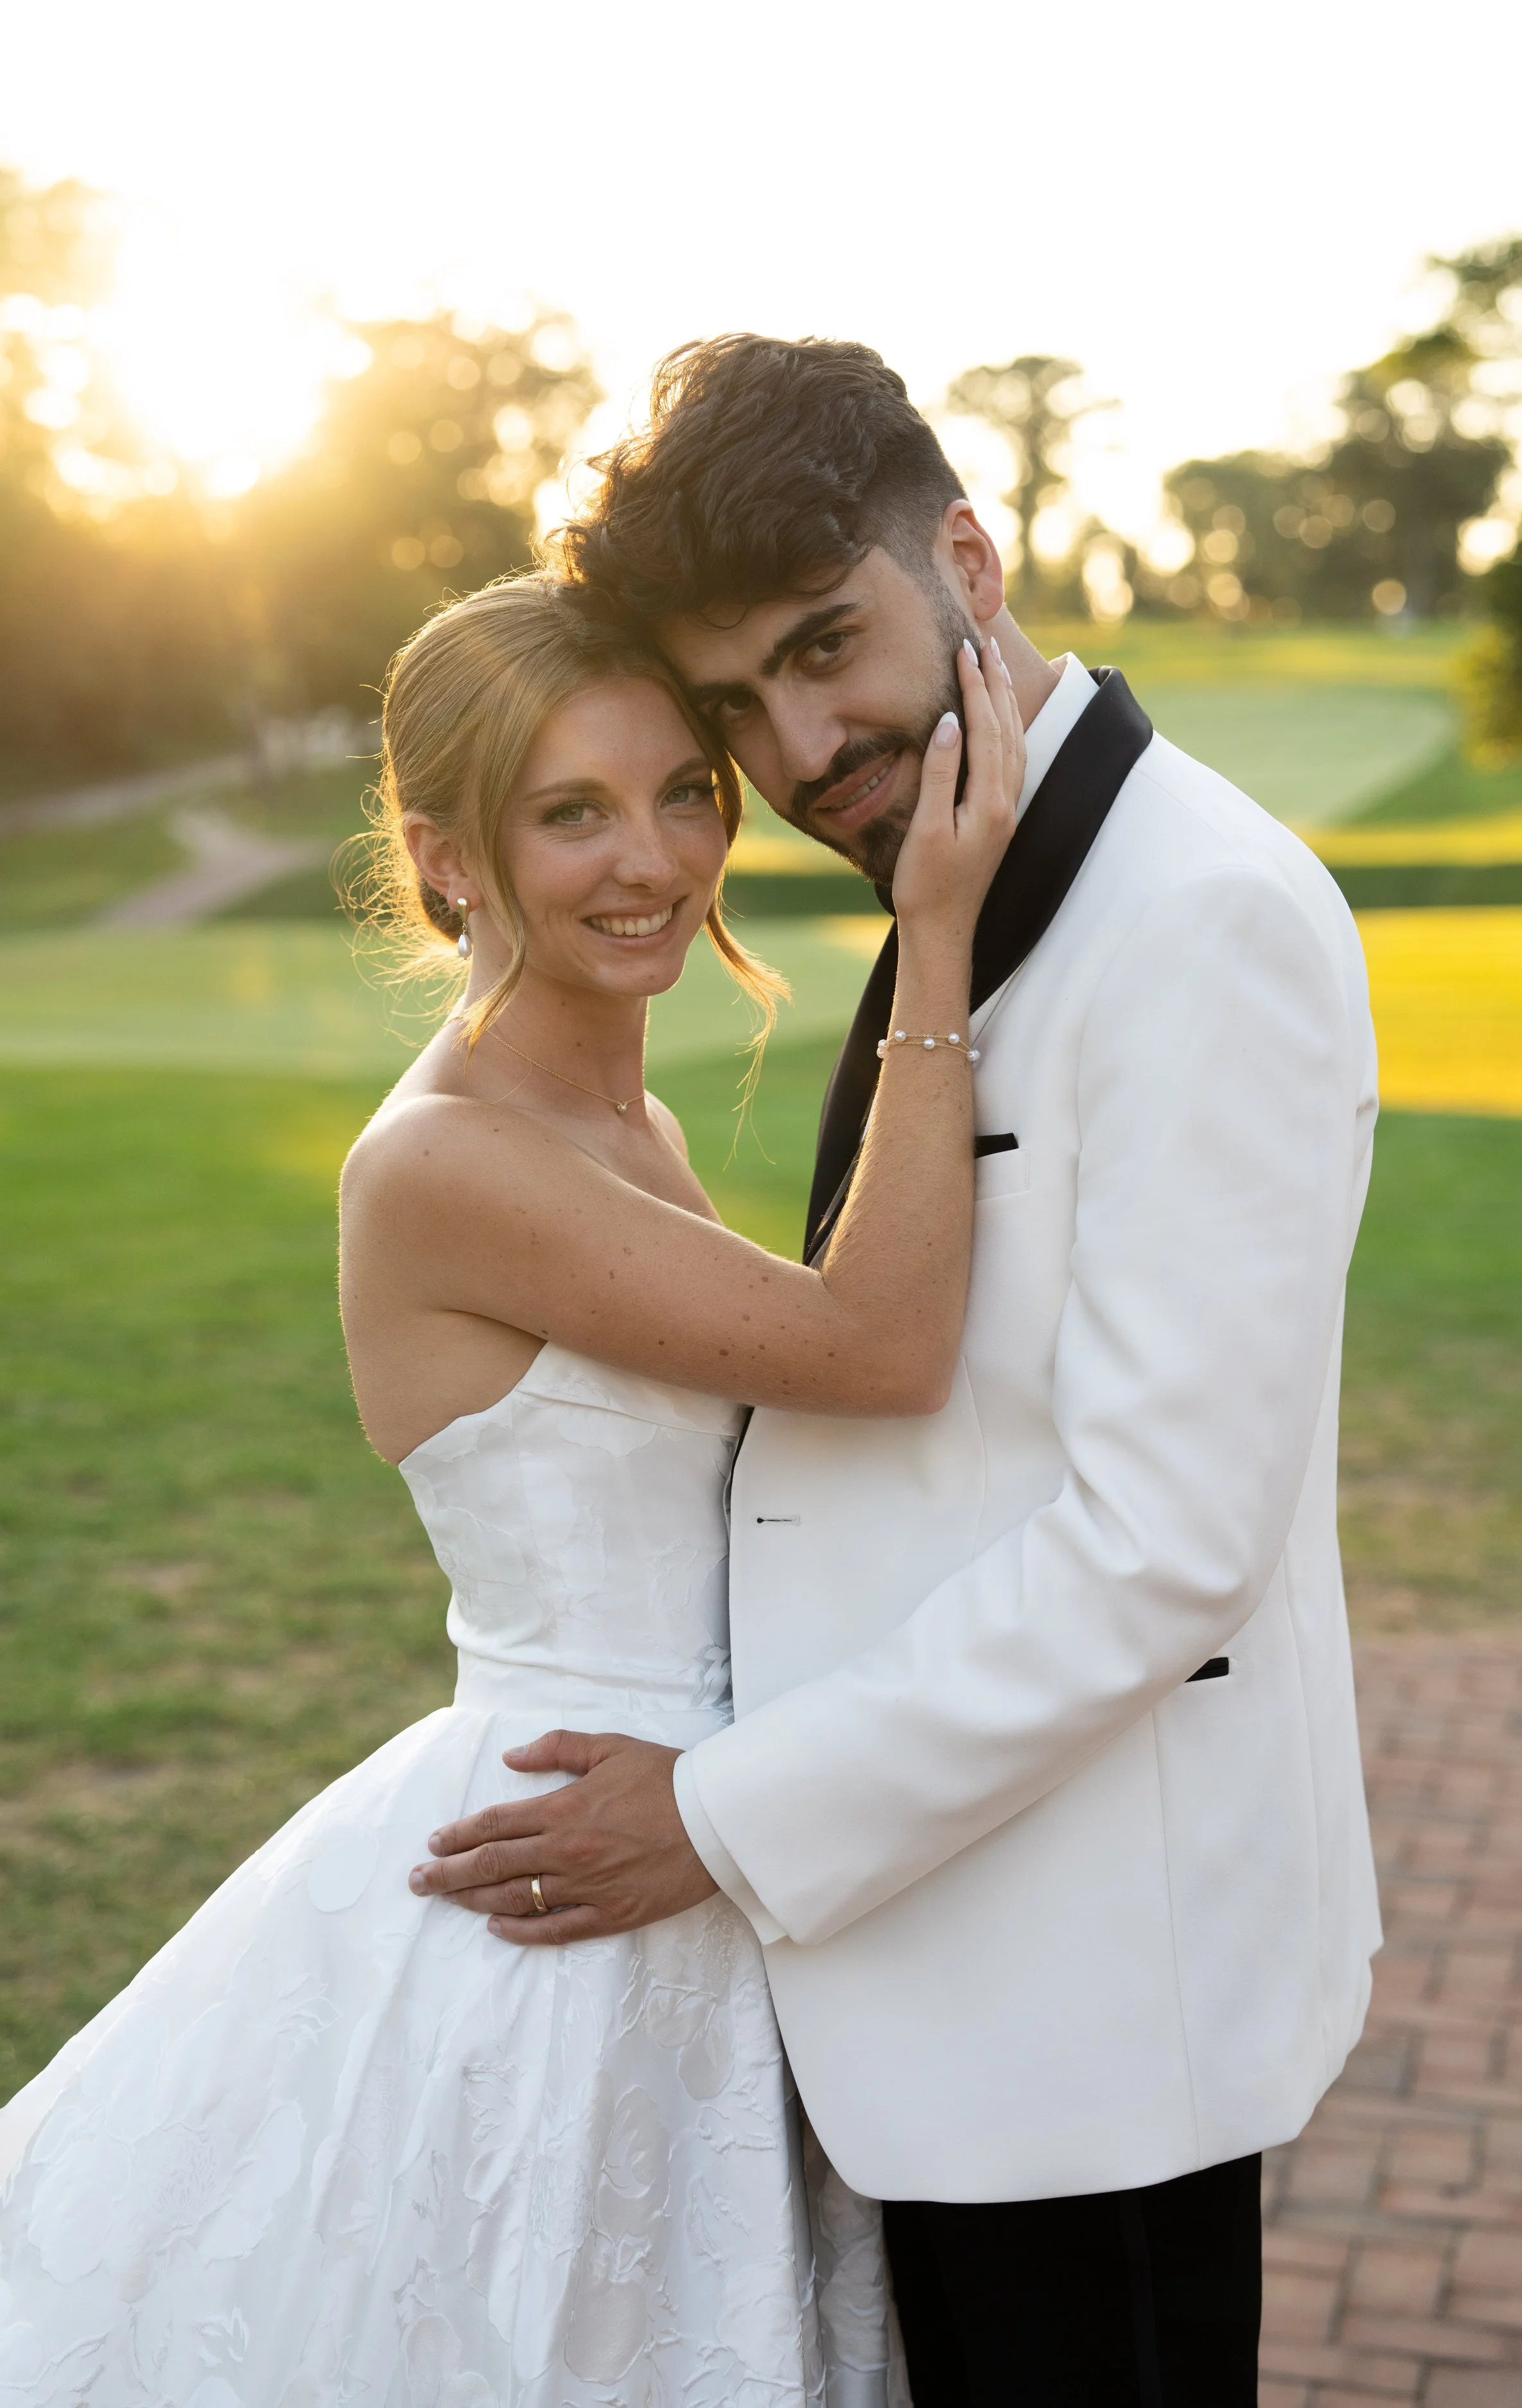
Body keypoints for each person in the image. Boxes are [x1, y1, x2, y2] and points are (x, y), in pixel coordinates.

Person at [415, 337, 1385, 2408]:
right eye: (735, 707)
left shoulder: (1194, 915)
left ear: (965, 551)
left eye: (827, 646)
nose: (801, 744)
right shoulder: (961, 868)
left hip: (1090, 1996)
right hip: (954, 1962)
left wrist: (727, 1810)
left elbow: (1166, 1542)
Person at [0, 573, 1020, 2404]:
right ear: (444, 856)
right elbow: (878, 1348)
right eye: (572, 811)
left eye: (682, 790)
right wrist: (934, 942)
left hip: (704, 1832)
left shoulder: (617, 1125)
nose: (656, 858)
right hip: (571, 1872)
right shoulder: (447, 1162)